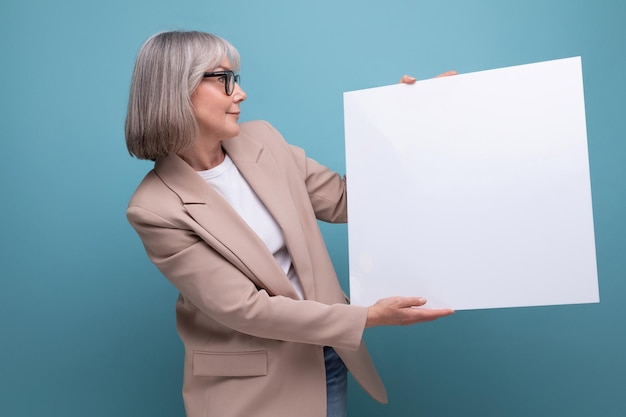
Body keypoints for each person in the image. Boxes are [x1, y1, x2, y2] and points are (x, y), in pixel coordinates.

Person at [125, 30, 455, 417]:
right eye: (224, 79)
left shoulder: (263, 139)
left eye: (238, 80)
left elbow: (348, 201)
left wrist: (409, 123)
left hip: (326, 356)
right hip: (253, 385)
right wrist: (369, 316)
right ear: (176, 90)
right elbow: (245, 309)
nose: (240, 94)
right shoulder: (155, 207)